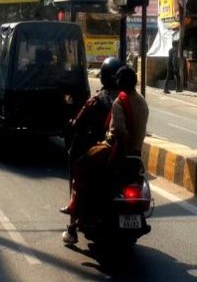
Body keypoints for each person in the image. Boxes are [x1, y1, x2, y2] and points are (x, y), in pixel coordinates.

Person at [62, 64, 149, 244]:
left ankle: (74, 212)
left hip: (116, 150)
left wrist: (110, 145)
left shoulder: (111, 100)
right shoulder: (141, 100)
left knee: (80, 165)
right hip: (136, 155)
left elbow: (118, 132)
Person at [61, 57, 124, 218]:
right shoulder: (129, 99)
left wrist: (71, 124)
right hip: (128, 150)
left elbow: (78, 122)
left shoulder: (98, 99)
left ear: (103, 77)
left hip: (104, 148)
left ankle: (74, 216)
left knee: (79, 165)